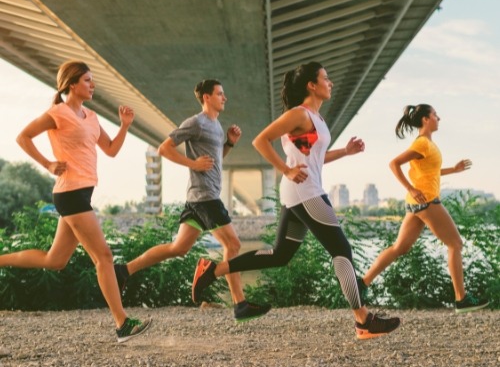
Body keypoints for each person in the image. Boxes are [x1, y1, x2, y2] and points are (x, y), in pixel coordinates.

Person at [192, 62, 401, 339]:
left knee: (280, 255)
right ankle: (363, 320)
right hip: (307, 192)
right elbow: (261, 140)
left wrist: (345, 152)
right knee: (342, 251)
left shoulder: (315, 119)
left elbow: (312, 157)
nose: (331, 83)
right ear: (311, 86)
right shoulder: (299, 114)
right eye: (326, 78)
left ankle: (212, 270)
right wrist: (286, 169)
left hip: (299, 191)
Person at [0, 60, 151, 343]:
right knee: (103, 256)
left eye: (92, 81)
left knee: (55, 260)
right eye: (87, 81)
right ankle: (122, 324)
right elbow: (23, 137)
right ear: (71, 84)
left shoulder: (91, 117)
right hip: (70, 193)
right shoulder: (57, 113)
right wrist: (47, 163)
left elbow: (111, 150)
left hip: (83, 192)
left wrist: (125, 126)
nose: (92, 85)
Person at [114, 79, 270, 322]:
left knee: (178, 248)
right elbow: (164, 148)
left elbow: (215, 161)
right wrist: (192, 164)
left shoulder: (217, 126)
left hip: (197, 198)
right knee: (234, 245)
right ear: (207, 97)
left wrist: (228, 143)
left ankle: (124, 270)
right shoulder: (196, 123)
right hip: (205, 197)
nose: (224, 97)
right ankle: (240, 304)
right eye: (220, 93)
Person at [359, 104, 489, 313]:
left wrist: (453, 170)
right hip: (427, 201)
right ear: (426, 120)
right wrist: (411, 187)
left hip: (417, 203)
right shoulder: (422, 143)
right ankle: (461, 298)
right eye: (435, 115)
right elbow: (394, 164)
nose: (439, 118)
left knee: (400, 248)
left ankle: (362, 283)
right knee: (455, 244)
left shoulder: (428, 144)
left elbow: (431, 172)